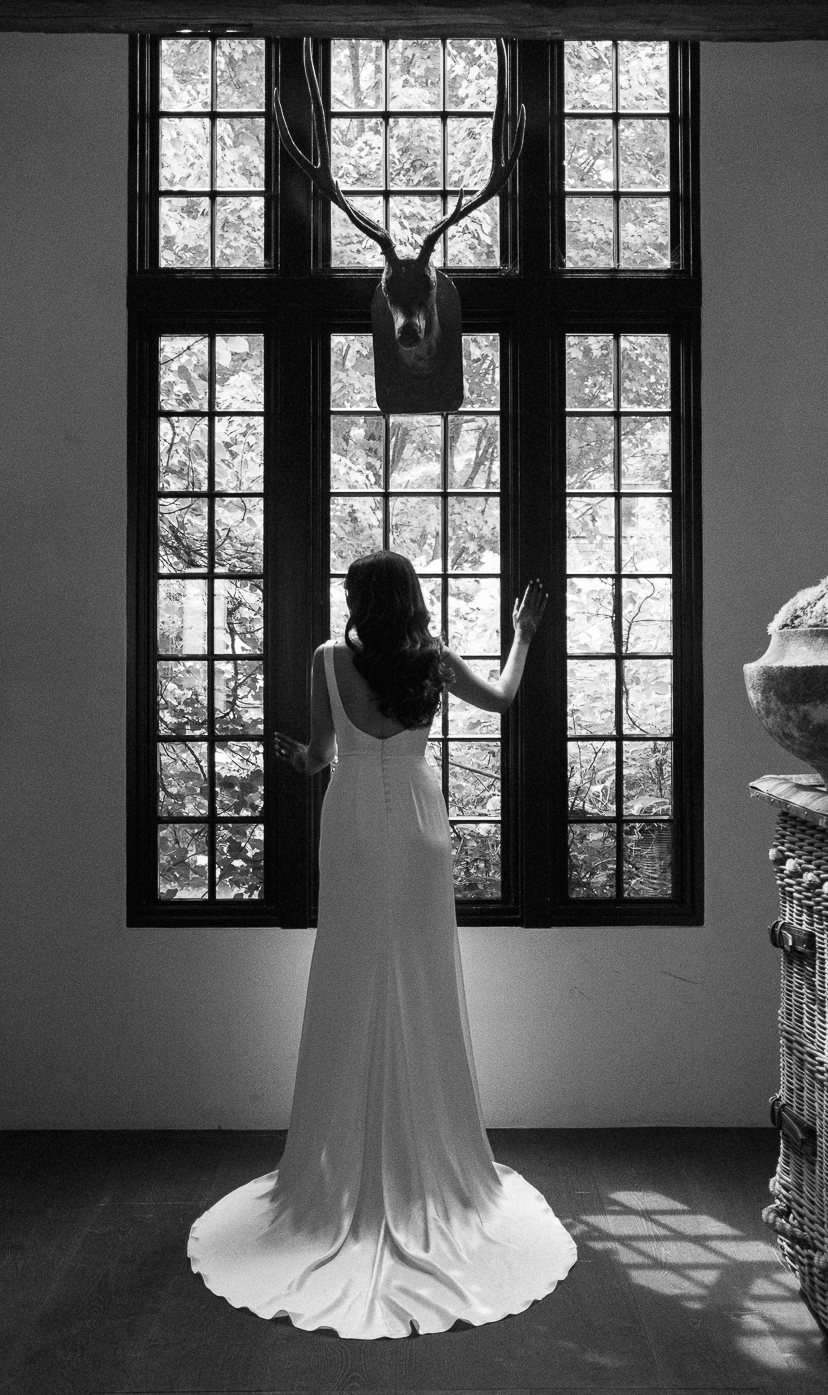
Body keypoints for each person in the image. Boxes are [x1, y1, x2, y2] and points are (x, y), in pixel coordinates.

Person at [188, 551, 576, 1338]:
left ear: (361, 601)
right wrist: (522, 634)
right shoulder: (431, 661)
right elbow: (503, 699)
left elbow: (324, 758)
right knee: (422, 980)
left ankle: (346, 1162)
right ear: (412, 600)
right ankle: (424, 1159)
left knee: (349, 976)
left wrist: (301, 760)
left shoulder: (329, 659)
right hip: (422, 824)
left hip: (355, 826)